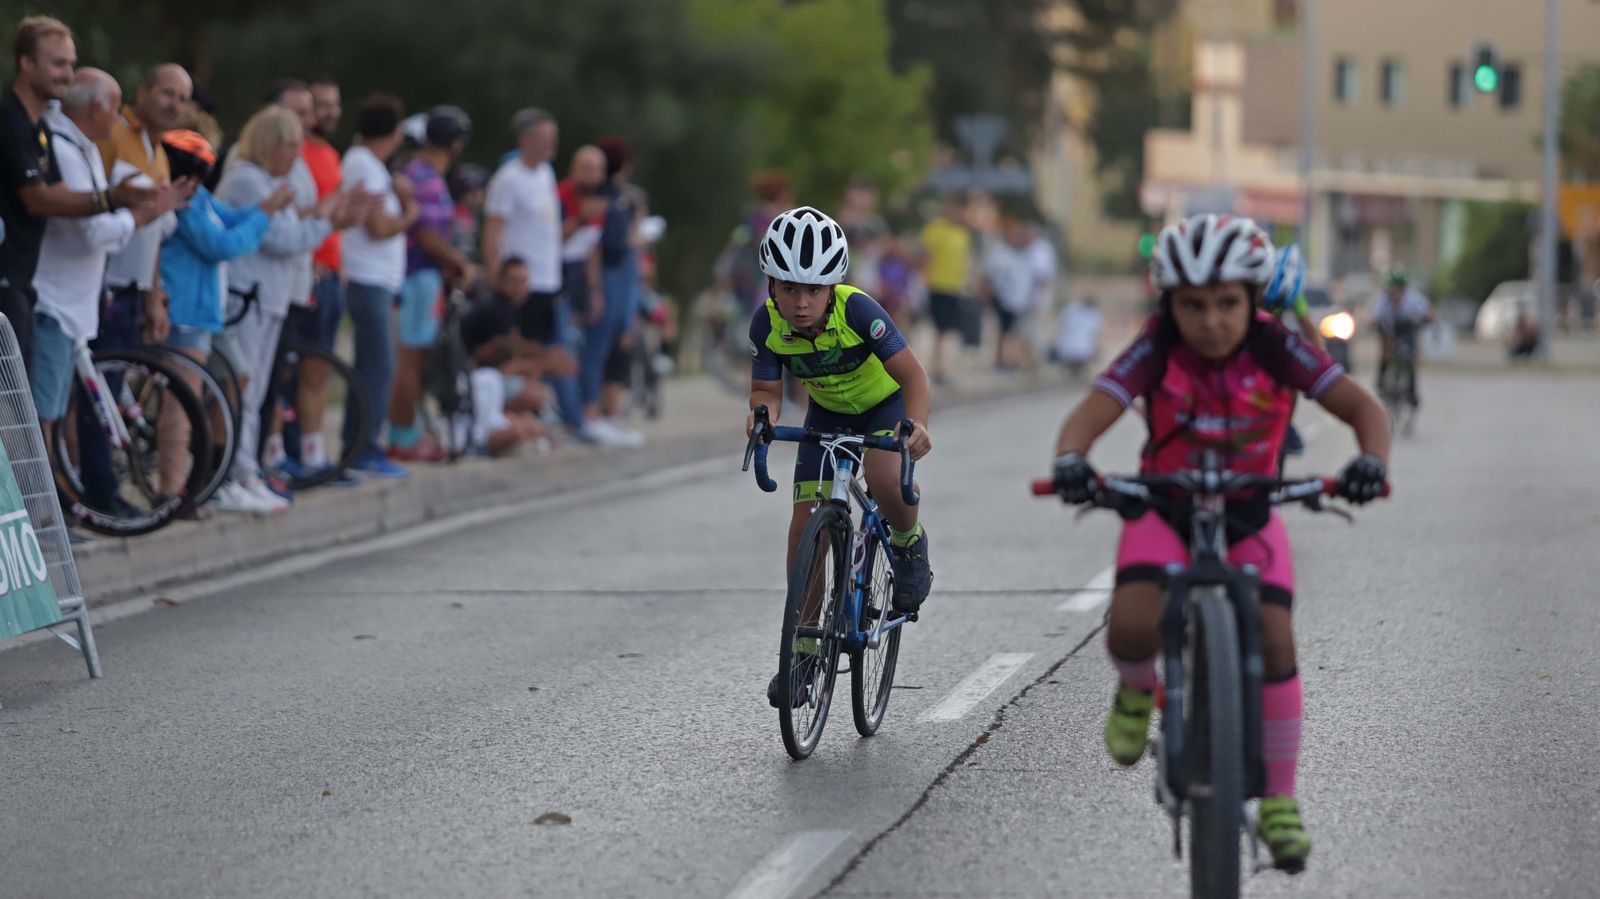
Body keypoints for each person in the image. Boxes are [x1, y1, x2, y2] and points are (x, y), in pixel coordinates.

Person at [1047, 213, 1390, 871]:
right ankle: (1138, 688)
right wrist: (1072, 457)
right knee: (1132, 628)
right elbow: (1092, 410)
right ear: (1169, 305)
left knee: (1276, 636)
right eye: (1192, 305)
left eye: (1227, 303)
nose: (1210, 320)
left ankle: (1280, 799)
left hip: (1249, 512)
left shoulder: (1276, 347)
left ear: (1253, 300)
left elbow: (1361, 408)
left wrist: (1371, 459)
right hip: (1166, 505)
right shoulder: (1157, 346)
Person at [744, 206, 935, 709]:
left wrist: (916, 426)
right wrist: (761, 417)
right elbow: (766, 388)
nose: (800, 303)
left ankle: (909, 543)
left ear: (832, 288)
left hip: (883, 406)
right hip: (825, 416)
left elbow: (914, 376)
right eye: (788, 289)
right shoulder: (766, 323)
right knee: (804, 526)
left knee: (883, 476)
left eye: (813, 290)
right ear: (770, 285)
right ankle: (805, 650)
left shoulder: (861, 313)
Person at [32, 69, 177, 454]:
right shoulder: (62, 148)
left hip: (76, 301)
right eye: (115, 109)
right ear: (95, 108)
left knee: (57, 411)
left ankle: (60, 500)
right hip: (54, 301)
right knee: (41, 416)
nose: (118, 118)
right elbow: (92, 230)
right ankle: (46, 508)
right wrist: (140, 217)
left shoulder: (85, 146)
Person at [217, 104, 353, 509]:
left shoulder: (269, 181)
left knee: (257, 392)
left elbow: (291, 234)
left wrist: (323, 222)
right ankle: (233, 472)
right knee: (243, 389)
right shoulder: (247, 180)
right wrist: (331, 223)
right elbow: (282, 240)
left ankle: (246, 469)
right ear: (268, 144)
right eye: (290, 145)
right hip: (247, 298)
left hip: (269, 297)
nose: (296, 154)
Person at [0, 16, 154, 366]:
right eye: (58, 63)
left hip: (23, 282)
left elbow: (62, 193)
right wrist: (114, 200)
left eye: (71, 64)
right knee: (14, 408)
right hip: (9, 281)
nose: (68, 74)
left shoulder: (37, 127)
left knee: (19, 412)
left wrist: (119, 199)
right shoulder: (8, 119)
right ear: (26, 63)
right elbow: (38, 199)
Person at [158, 129, 289, 512]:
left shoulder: (197, 196)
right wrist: (265, 213)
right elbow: (222, 245)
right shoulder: (181, 200)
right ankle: (175, 491)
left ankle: (214, 477)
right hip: (186, 312)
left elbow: (227, 218)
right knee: (181, 402)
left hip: (207, 313)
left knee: (236, 378)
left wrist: (264, 207)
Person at [388, 106, 476, 462]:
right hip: (417, 276)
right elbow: (426, 236)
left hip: (423, 276)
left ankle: (403, 432)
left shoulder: (422, 173)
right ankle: (402, 438)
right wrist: (459, 261)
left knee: (414, 359)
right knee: (409, 361)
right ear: (456, 144)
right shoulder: (424, 176)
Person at [340, 93, 418, 479]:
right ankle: (362, 448)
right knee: (377, 366)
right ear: (396, 131)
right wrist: (409, 211)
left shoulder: (369, 164)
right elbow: (380, 226)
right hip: (366, 276)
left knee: (376, 365)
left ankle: (361, 446)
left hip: (378, 278)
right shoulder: (364, 165)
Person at [455, 298, 550, 457]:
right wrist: (520, 427)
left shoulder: (482, 377)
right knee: (523, 428)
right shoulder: (489, 378)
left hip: (477, 433)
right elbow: (487, 422)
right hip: (476, 439)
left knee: (527, 424)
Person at [978, 211, 1047, 372]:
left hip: (1018, 299)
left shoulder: (1024, 254)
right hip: (1003, 297)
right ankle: (1002, 360)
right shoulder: (1000, 252)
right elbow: (990, 274)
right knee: (1005, 331)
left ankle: (1012, 359)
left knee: (1013, 332)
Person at [919, 194, 974, 385]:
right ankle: (937, 366)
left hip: (955, 286)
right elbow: (926, 255)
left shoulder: (962, 234)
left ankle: (943, 366)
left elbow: (965, 260)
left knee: (949, 329)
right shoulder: (936, 229)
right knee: (939, 328)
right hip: (937, 284)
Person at [1369, 267, 1433, 408]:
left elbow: (1428, 312)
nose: (1395, 293)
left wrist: (1428, 318)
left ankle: (1412, 392)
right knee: (1386, 351)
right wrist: (1374, 322)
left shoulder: (1413, 298)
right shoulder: (1381, 300)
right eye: (1393, 289)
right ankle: (1381, 380)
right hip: (1389, 328)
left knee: (1410, 355)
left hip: (1407, 328)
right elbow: (1374, 316)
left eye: (1399, 289)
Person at [1050, 296, 1103, 379]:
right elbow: (1096, 335)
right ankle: (1078, 371)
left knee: (1073, 349)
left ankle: (1069, 370)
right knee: (1086, 349)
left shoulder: (1070, 309)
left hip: (1065, 350)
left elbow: (1059, 326)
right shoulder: (1094, 314)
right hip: (1083, 352)